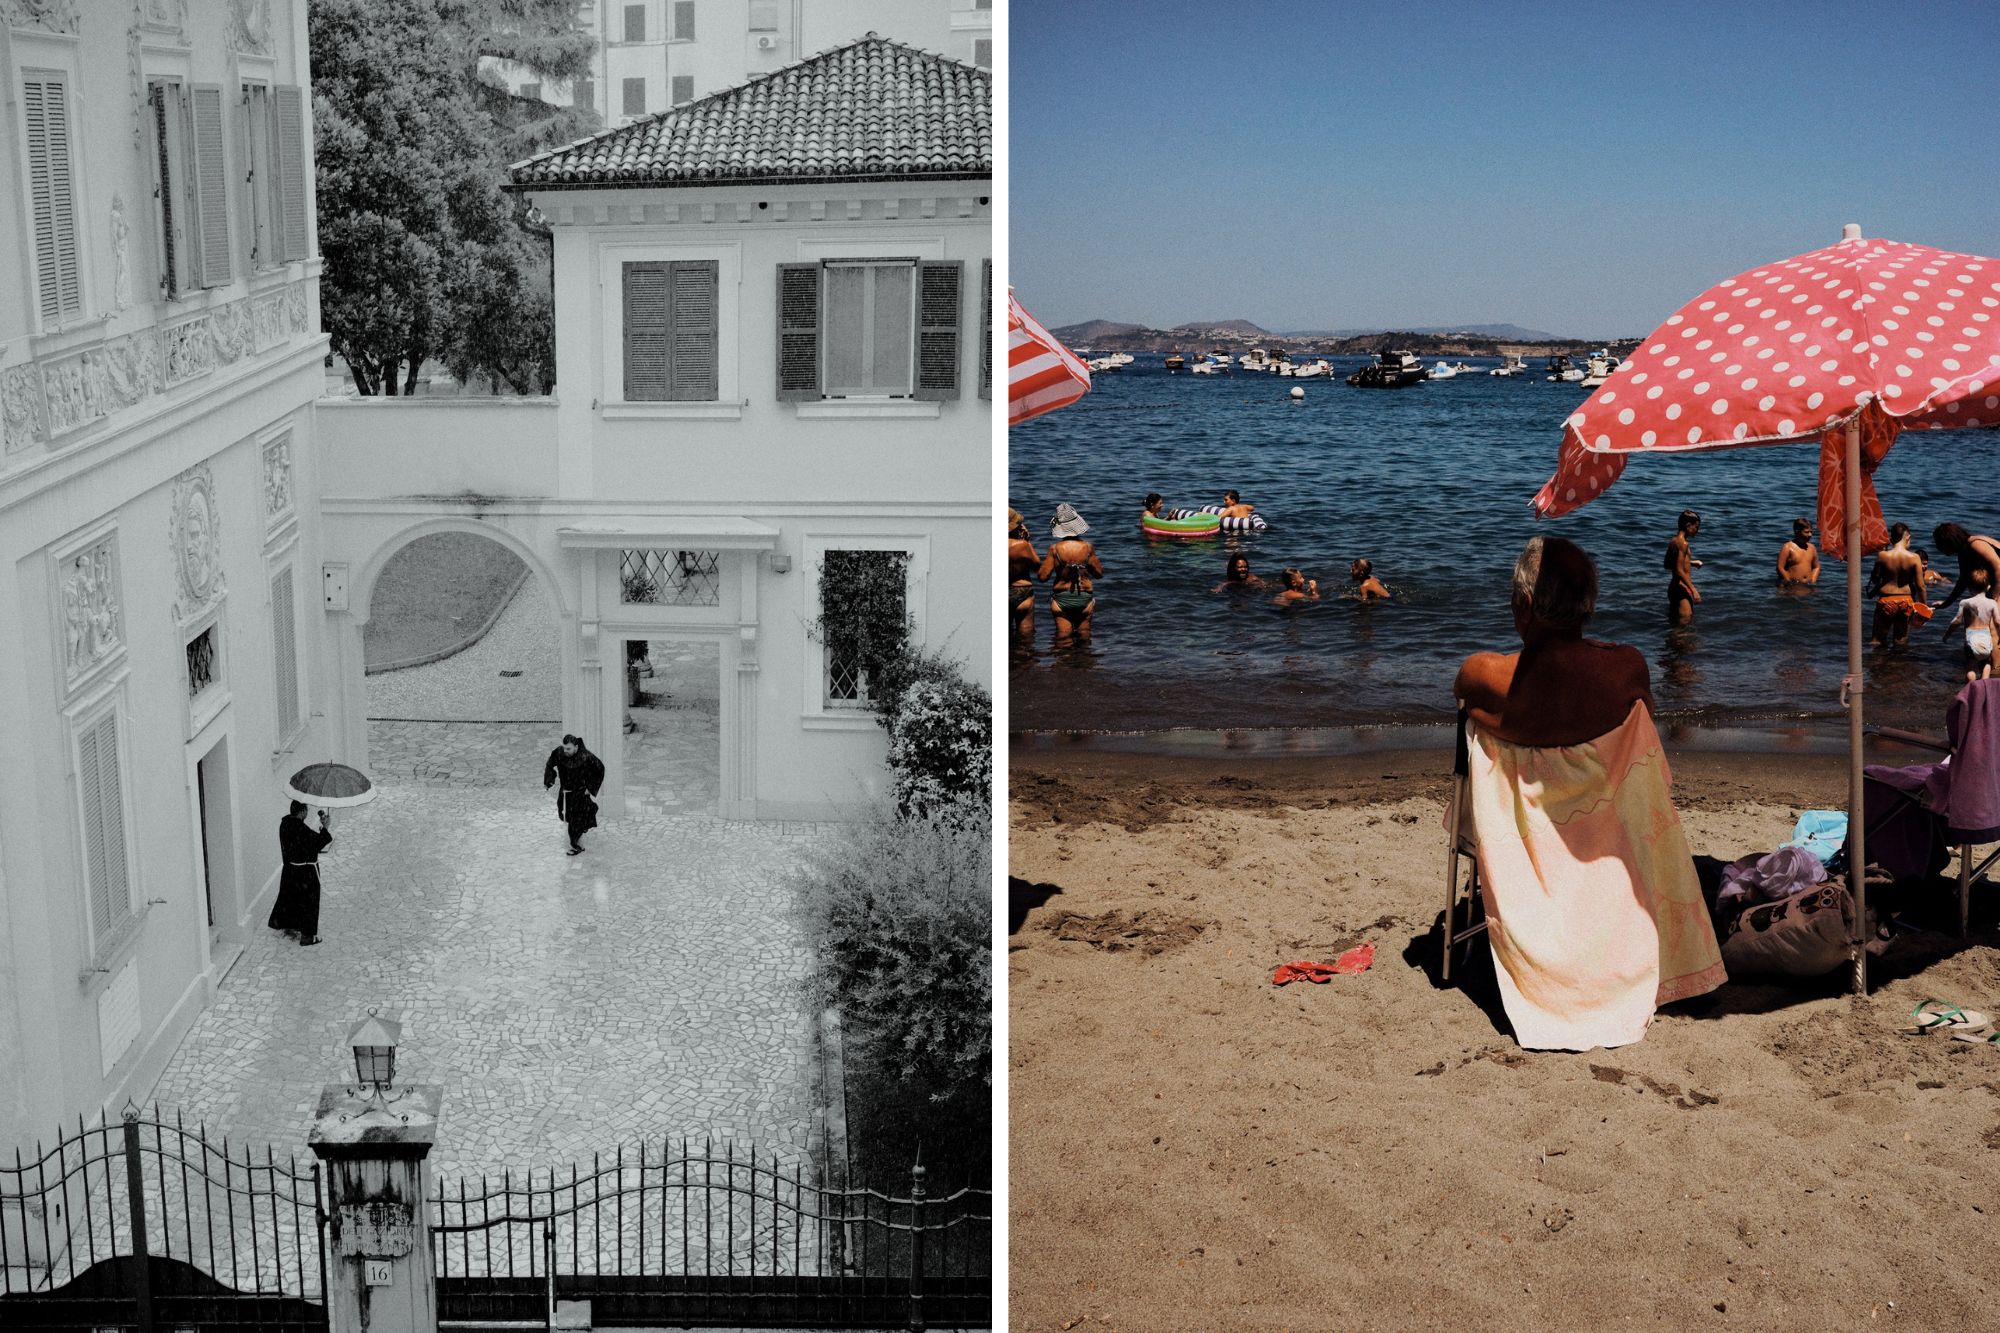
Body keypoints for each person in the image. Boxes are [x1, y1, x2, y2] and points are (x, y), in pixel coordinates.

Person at [1456, 536, 1654, 747]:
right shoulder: (1629, 667)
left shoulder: (1481, 672)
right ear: (1590, 601)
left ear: (1524, 604)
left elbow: (1463, 694)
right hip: (1604, 768)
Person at [267, 800, 333, 945]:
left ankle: (290, 925)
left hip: (290, 870)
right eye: (306, 810)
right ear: (302, 812)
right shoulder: (300, 829)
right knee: (309, 903)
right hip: (305, 873)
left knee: (291, 898)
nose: (307, 813)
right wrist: (325, 828)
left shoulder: (284, 824)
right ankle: (308, 937)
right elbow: (316, 843)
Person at [1039, 504, 1102, 644]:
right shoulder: (1088, 547)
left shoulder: (1054, 549)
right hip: (1084, 598)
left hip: (1061, 598)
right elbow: (1099, 574)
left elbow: (1043, 577)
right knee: (1085, 642)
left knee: (1063, 641)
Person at [1868, 521, 1931, 648]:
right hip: (1906, 601)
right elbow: (1921, 587)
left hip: (1887, 600)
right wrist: (1924, 607)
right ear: (1908, 537)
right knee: (1901, 639)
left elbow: (1875, 579)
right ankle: (1898, 660)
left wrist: (1884, 552)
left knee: (1878, 639)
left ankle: (1877, 660)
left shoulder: (1883, 555)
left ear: (1891, 539)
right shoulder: (1914, 557)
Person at [543, 734, 605, 855]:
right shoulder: (560, 753)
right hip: (565, 791)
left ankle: (576, 845)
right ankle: (584, 824)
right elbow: (550, 764)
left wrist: (590, 788)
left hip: (579, 793)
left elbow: (600, 769)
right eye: (564, 748)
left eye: (568, 749)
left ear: (576, 747)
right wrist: (549, 781)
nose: (565, 751)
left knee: (575, 820)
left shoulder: (586, 756)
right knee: (564, 814)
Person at [1944, 569, 2000, 681]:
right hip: (1986, 639)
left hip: (1971, 639)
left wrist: (1947, 635)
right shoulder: (1992, 603)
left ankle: (1971, 685)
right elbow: (1998, 621)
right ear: (1988, 587)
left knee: (1971, 666)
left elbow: (1956, 621)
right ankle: (1984, 683)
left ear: (1969, 588)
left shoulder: (1965, 603)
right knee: (1986, 664)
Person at [1932, 522, 2000, 605]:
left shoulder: (1976, 544)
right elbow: (1962, 581)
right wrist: (1946, 603)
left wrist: (1993, 596)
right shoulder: (1963, 553)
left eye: (1939, 544)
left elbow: (1998, 567)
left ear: (1949, 541)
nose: (1938, 548)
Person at [1664, 510, 1702, 625]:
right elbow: (1679, 570)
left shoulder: (1673, 541)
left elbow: (1667, 565)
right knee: (1684, 625)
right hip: (1681, 589)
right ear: (1688, 525)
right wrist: (1693, 590)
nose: (1697, 530)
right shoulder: (1683, 544)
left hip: (1673, 588)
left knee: (1675, 622)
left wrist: (1690, 563)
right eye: (1696, 527)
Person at [1007, 508, 1040, 638]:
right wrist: (1027, 542)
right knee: (1026, 639)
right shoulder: (1022, 546)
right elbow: (1037, 567)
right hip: (1021, 590)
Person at [1776, 518, 1820, 586]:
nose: (1810, 535)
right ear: (1797, 532)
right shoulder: (1788, 547)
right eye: (1806, 532)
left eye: (1811, 532)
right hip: (1792, 584)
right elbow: (1780, 567)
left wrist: (1813, 580)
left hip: (1808, 585)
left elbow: (1816, 567)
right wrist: (1788, 580)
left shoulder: (1812, 548)